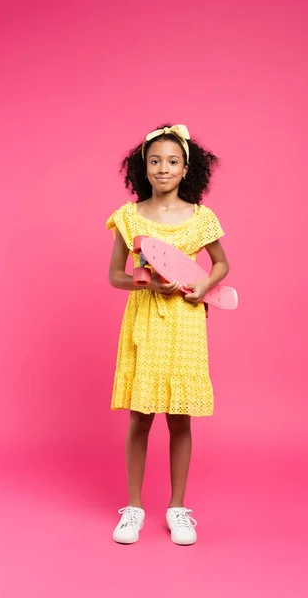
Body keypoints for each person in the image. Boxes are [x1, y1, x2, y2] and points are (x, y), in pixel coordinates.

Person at [106, 124, 229, 545]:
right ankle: (133, 509)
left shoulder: (201, 217)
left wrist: (201, 287)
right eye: (155, 160)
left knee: (180, 419)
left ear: (186, 168)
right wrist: (146, 285)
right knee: (140, 418)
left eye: (172, 161)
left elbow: (221, 265)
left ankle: (178, 508)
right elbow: (115, 277)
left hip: (186, 321)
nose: (163, 168)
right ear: (143, 166)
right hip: (145, 319)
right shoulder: (128, 216)